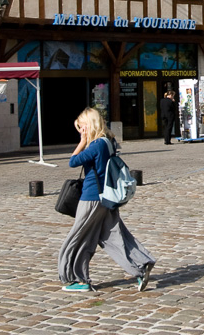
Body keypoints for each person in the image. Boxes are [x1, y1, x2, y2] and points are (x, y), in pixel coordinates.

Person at [56, 107, 156, 293]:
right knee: (113, 236)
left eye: (82, 127)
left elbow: (73, 161)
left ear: (89, 125)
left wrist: (82, 141)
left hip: (93, 197)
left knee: (78, 238)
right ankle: (140, 265)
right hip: (106, 197)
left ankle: (76, 278)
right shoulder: (108, 141)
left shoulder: (96, 145)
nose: (80, 131)